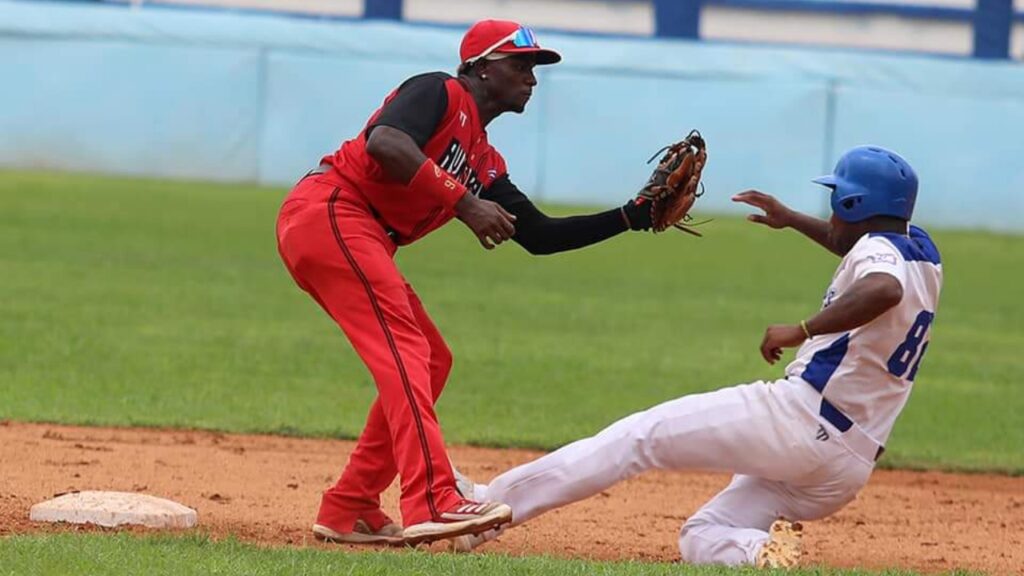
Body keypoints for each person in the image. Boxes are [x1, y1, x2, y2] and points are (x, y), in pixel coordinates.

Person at [454, 145, 943, 567]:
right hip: (844, 467)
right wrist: (792, 219)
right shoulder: (919, 249)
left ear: (853, 202)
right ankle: (761, 554)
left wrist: (802, 329)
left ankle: (486, 509)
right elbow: (861, 250)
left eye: (837, 199)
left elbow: (882, 287)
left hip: (801, 421)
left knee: (640, 436)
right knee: (703, 535)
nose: (832, 209)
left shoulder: (881, 262)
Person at [275, 19, 657, 547]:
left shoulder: (483, 159)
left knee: (432, 358)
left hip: (356, 232)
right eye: (520, 64)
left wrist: (630, 216)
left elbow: (539, 235)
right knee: (406, 350)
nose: (532, 77)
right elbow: (385, 141)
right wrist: (465, 203)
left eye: (534, 67)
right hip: (331, 211)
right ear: (480, 68)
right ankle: (432, 499)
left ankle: (352, 503)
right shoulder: (438, 90)